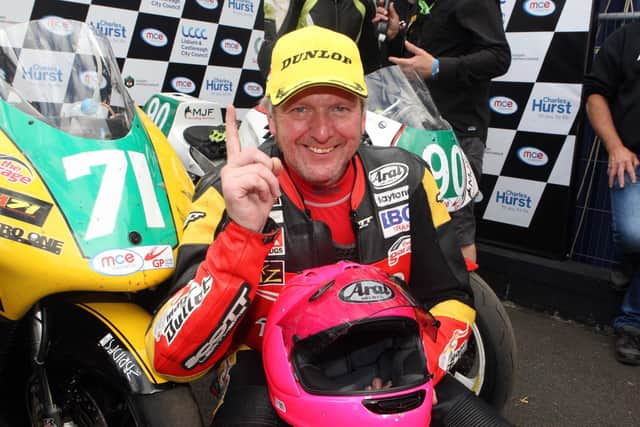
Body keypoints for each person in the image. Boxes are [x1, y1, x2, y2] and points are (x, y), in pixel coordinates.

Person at [146, 26, 477, 424]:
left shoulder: (407, 177)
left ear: (362, 111)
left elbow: (452, 297)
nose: (322, 132)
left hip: (390, 360)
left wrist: (402, 364)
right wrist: (244, 234)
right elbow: (171, 359)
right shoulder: (230, 192)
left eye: (340, 108)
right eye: (300, 109)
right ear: (270, 113)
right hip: (268, 368)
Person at [385, 0, 511, 263]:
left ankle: (463, 298)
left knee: (456, 225)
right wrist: (395, 36)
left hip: (457, 131)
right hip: (411, 126)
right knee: (411, 223)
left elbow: (499, 57)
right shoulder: (412, 5)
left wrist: (438, 67)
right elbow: (410, 61)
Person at [583, 22, 640, 366]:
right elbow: (595, 93)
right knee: (634, 235)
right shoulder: (628, 36)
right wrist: (615, 147)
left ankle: (631, 322)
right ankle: (629, 260)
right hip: (630, 158)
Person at [258, 0, 400, 75]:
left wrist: (388, 36)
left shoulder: (365, 3)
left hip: (341, 93)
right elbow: (272, 51)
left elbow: (369, 64)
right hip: (298, 91)